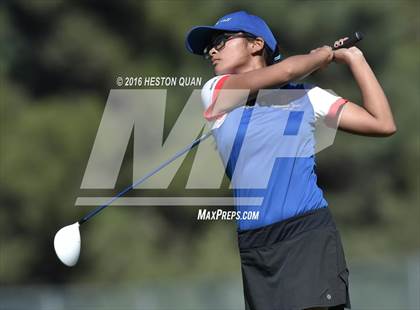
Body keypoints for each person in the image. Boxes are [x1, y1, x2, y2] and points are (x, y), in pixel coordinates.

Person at [185, 10, 396, 310]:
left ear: (256, 44)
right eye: (208, 47)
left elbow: (383, 123)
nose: (211, 51)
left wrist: (355, 60)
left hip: (307, 236)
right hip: (255, 246)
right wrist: (320, 56)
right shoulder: (215, 91)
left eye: (220, 40)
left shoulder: (308, 97)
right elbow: (284, 72)